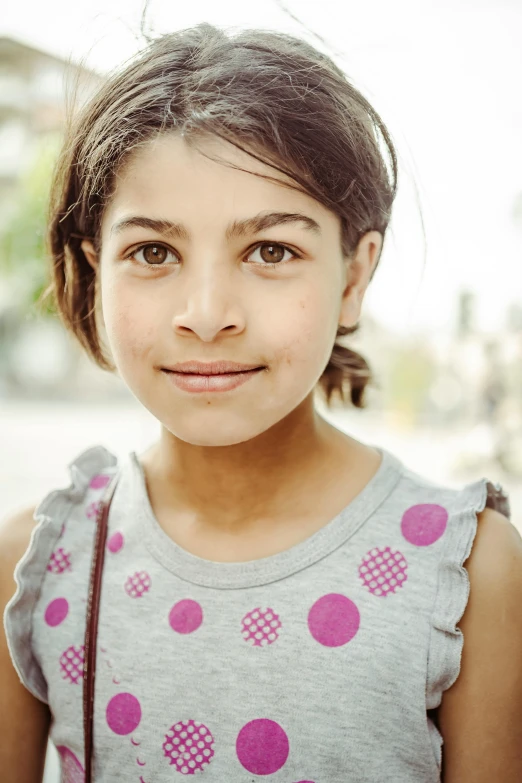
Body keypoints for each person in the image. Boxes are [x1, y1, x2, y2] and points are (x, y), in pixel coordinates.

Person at [1, 21, 521, 783]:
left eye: (271, 250)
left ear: (352, 277)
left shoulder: (468, 570)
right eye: (153, 252)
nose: (207, 312)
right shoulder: (38, 564)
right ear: (95, 268)